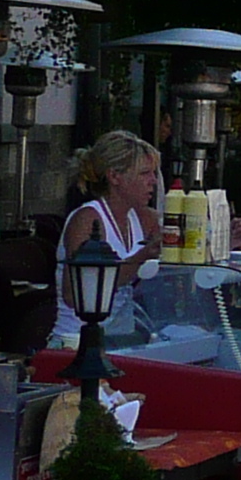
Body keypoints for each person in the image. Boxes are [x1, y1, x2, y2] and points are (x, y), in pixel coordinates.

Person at [57, 132, 164, 345]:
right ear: (115, 177)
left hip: (122, 339)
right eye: (144, 173)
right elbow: (74, 295)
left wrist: (227, 241)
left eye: (153, 173)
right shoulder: (87, 219)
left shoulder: (145, 218)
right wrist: (142, 256)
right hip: (78, 340)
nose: (153, 181)